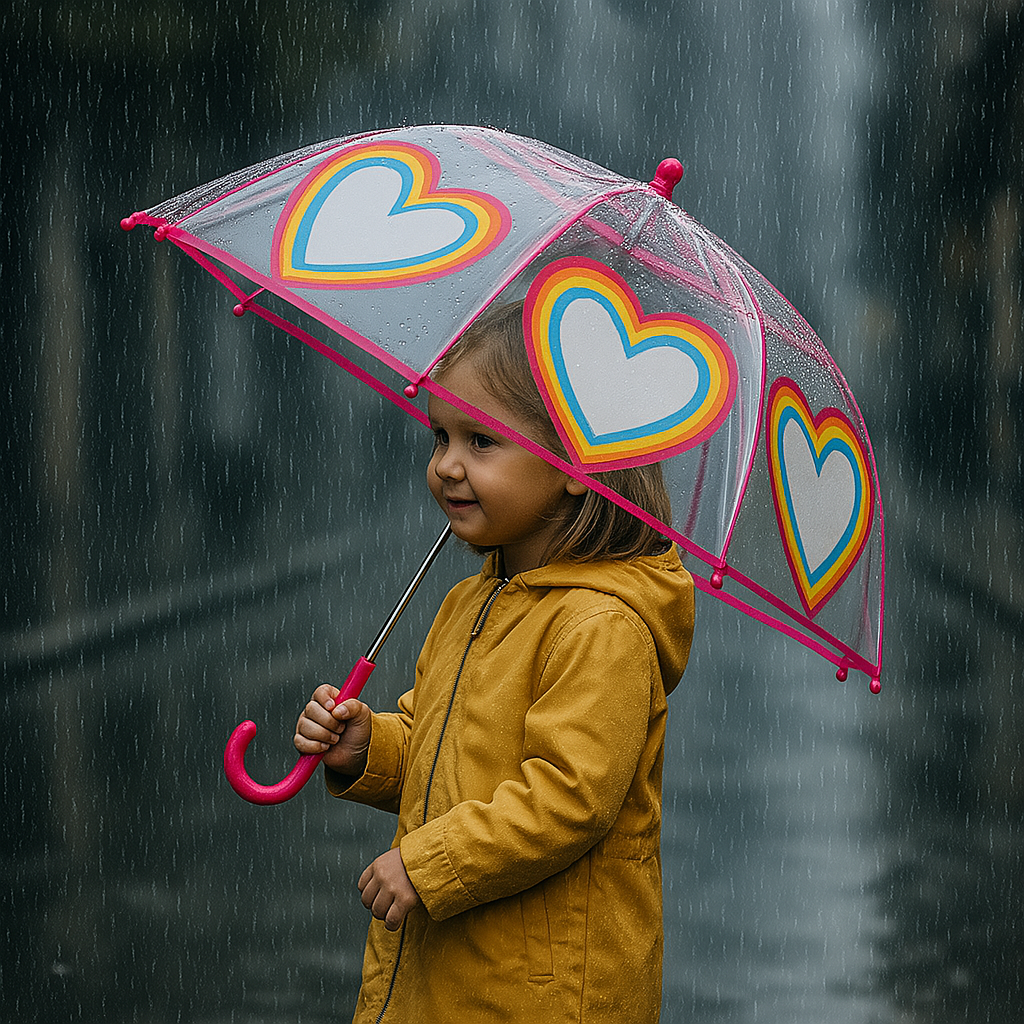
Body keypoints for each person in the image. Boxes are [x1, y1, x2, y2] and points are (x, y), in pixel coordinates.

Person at [294, 301, 694, 1022]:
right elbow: (438, 745)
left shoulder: (601, 625)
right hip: (453, 971)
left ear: (579, 464)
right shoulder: (468, 605)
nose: (447, 465)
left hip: (542, 990)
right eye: (439, 436)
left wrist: (430, 863)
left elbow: (568, 798)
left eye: (481, 440)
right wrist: (368, 750)